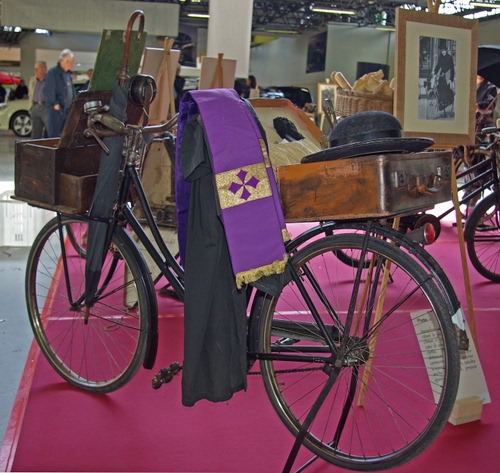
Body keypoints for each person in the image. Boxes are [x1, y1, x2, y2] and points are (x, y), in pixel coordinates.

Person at [43, 49, 76, 137]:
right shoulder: (52, 73)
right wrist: (55, 103)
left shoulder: (68, 74)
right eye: (72, 61)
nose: (72, 64)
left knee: (65, 135)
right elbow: (48, 90)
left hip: (67, 111)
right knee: (54, 135)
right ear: (67, 61)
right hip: (57, 111)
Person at [28, 61, 49, 139]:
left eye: (37, 69)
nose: (35, 71)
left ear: (44, 69)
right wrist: (31, 108)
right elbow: (30, 94)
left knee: (49, 130)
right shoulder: (33, 80)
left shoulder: (50, 80)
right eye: (35, 69)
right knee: (35, 132)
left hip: (46, 107)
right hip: (35, 106)